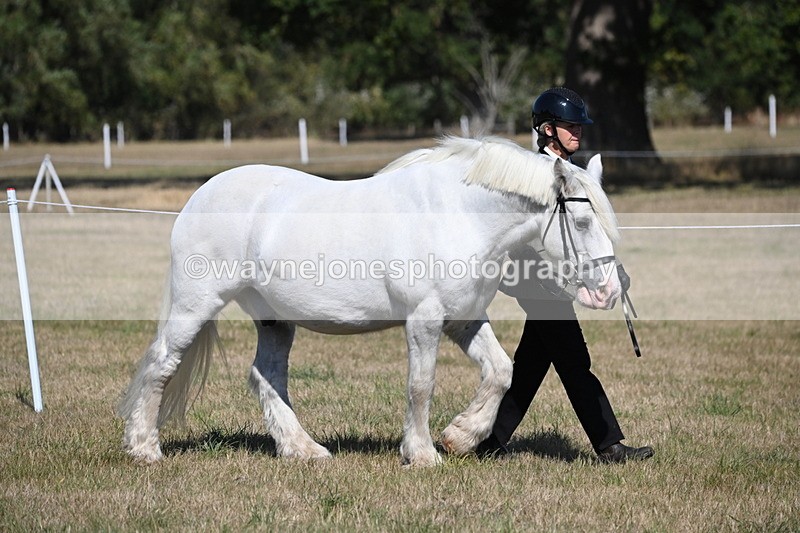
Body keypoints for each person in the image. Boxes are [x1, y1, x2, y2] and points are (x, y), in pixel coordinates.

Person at [475, 87, 654, 463]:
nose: (578, 132)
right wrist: (573, 285)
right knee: (574, 363)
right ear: (547, 129)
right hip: (536, 281)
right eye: (570, 125)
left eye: (579, 125)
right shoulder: (533, 174)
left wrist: (610, 270)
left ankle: (489, 439)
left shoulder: (573, 174)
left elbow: (586, 235)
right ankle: (609, 446)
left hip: (553, 285)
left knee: (530, 366)